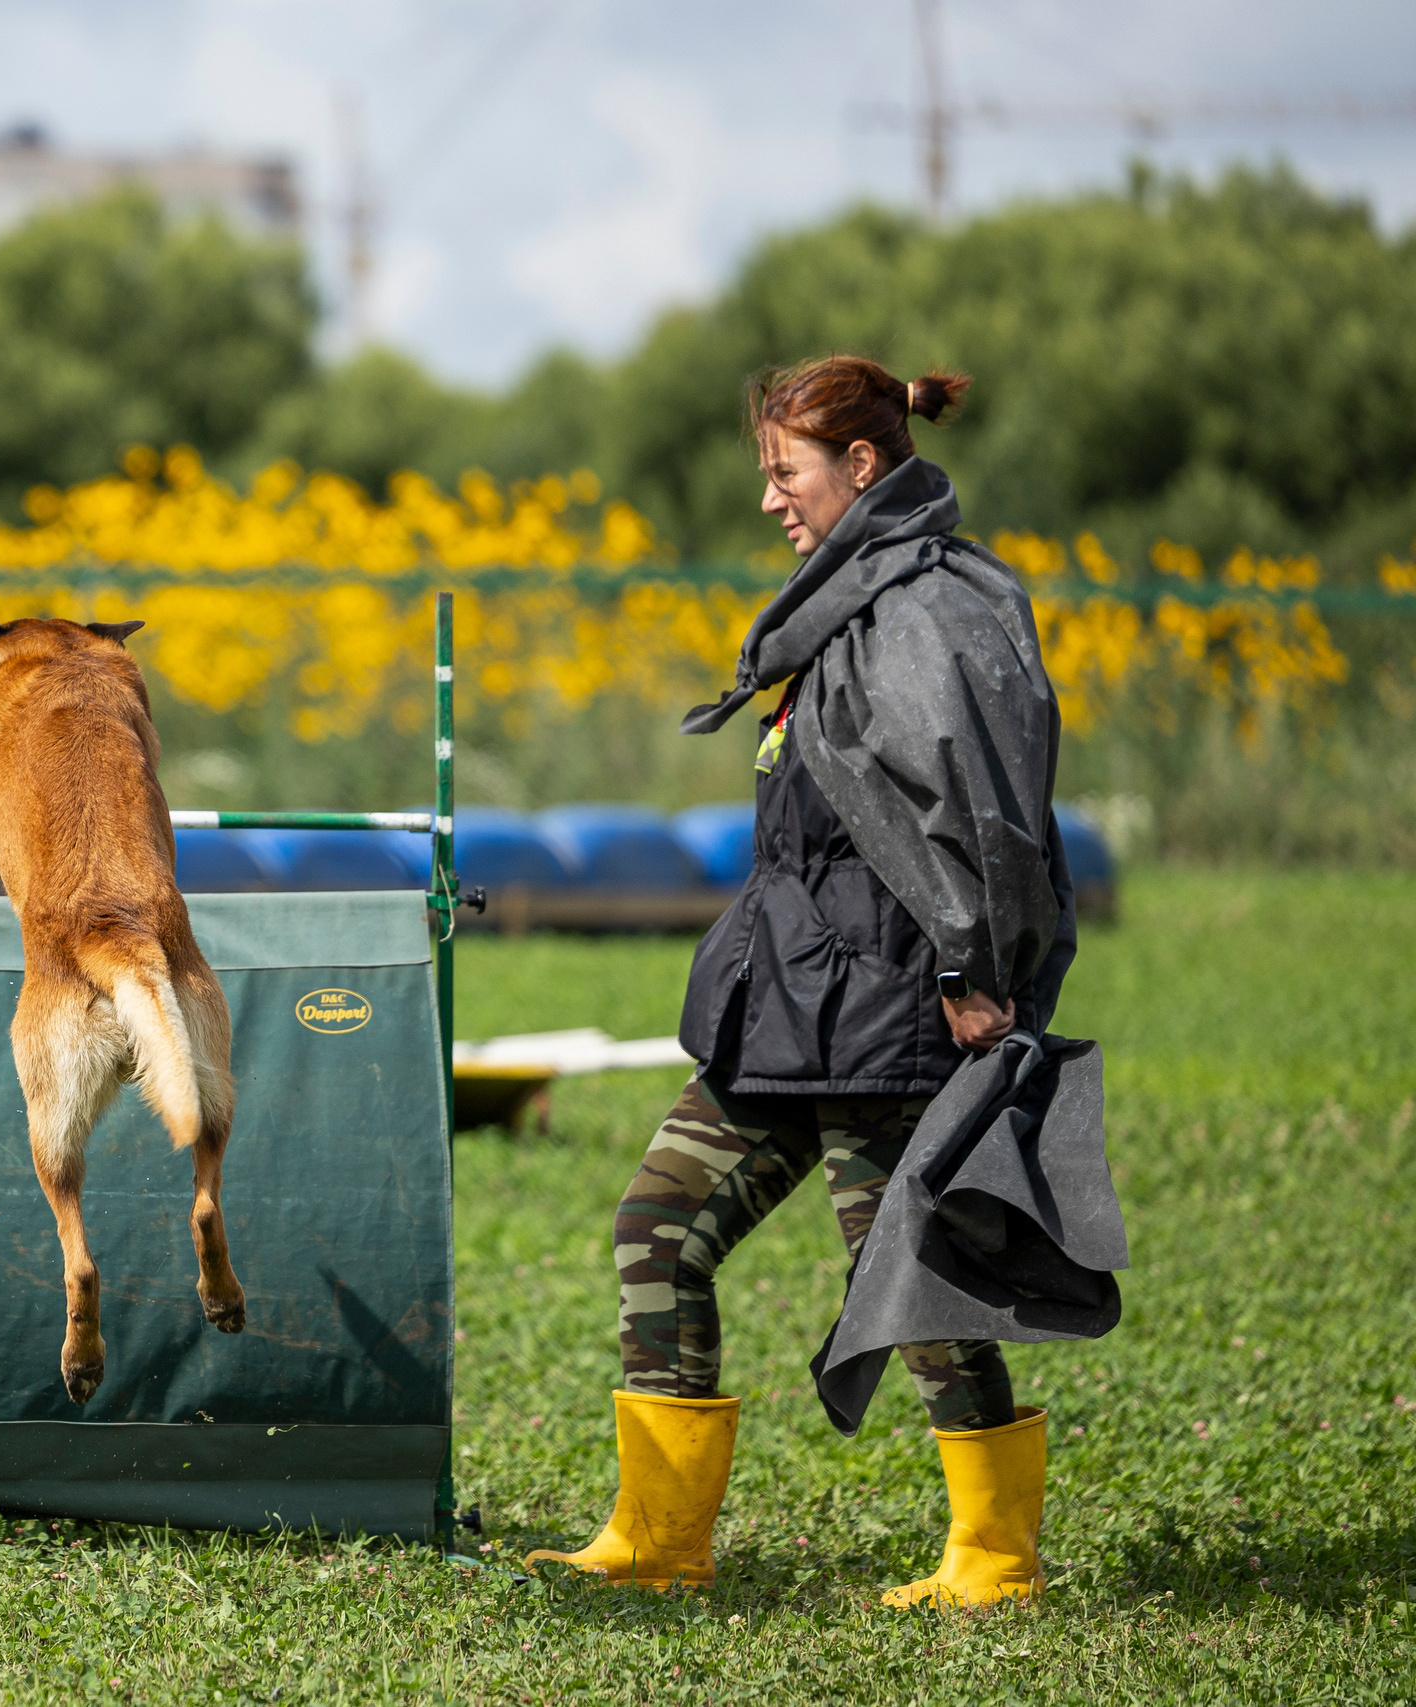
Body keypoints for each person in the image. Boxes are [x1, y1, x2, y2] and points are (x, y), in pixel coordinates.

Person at [526, 355, 1077, 1606]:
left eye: (787, 473)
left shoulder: (921, 610)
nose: (772, 498)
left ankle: (993, 1562)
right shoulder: (843, 599)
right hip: (792, 1002)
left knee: (912, 1281)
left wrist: (977, 974)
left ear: (862, 468)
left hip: (894, 1007)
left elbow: (980, 811)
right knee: (656, 1230)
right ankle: (660, 1541)